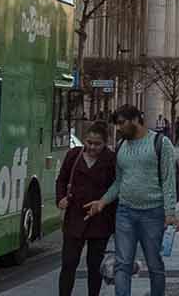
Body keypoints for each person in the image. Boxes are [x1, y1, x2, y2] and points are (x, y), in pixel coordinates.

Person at [84, 106, 179, 296]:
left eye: (121, 123)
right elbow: (119, 182)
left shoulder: (161, 143)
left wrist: (170, 214)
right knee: (122, 264)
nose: (118, 128)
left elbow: (169, 181)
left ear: (135, 119)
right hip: (125, 212)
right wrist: (102, 202)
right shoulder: (121, 146)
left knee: (154, 264)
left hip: (153, 213)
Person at [57, 122, 119, 296]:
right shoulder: (73, 156)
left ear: (105, 143)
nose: (92, 147)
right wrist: (61, 198)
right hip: (75, 217)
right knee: (69, 263)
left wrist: (104, 205)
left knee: (94, 265)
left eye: (97, 144)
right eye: (89, 142)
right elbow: (61, 179)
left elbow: (117, 186)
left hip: (100, 219)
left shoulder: (111, 159)